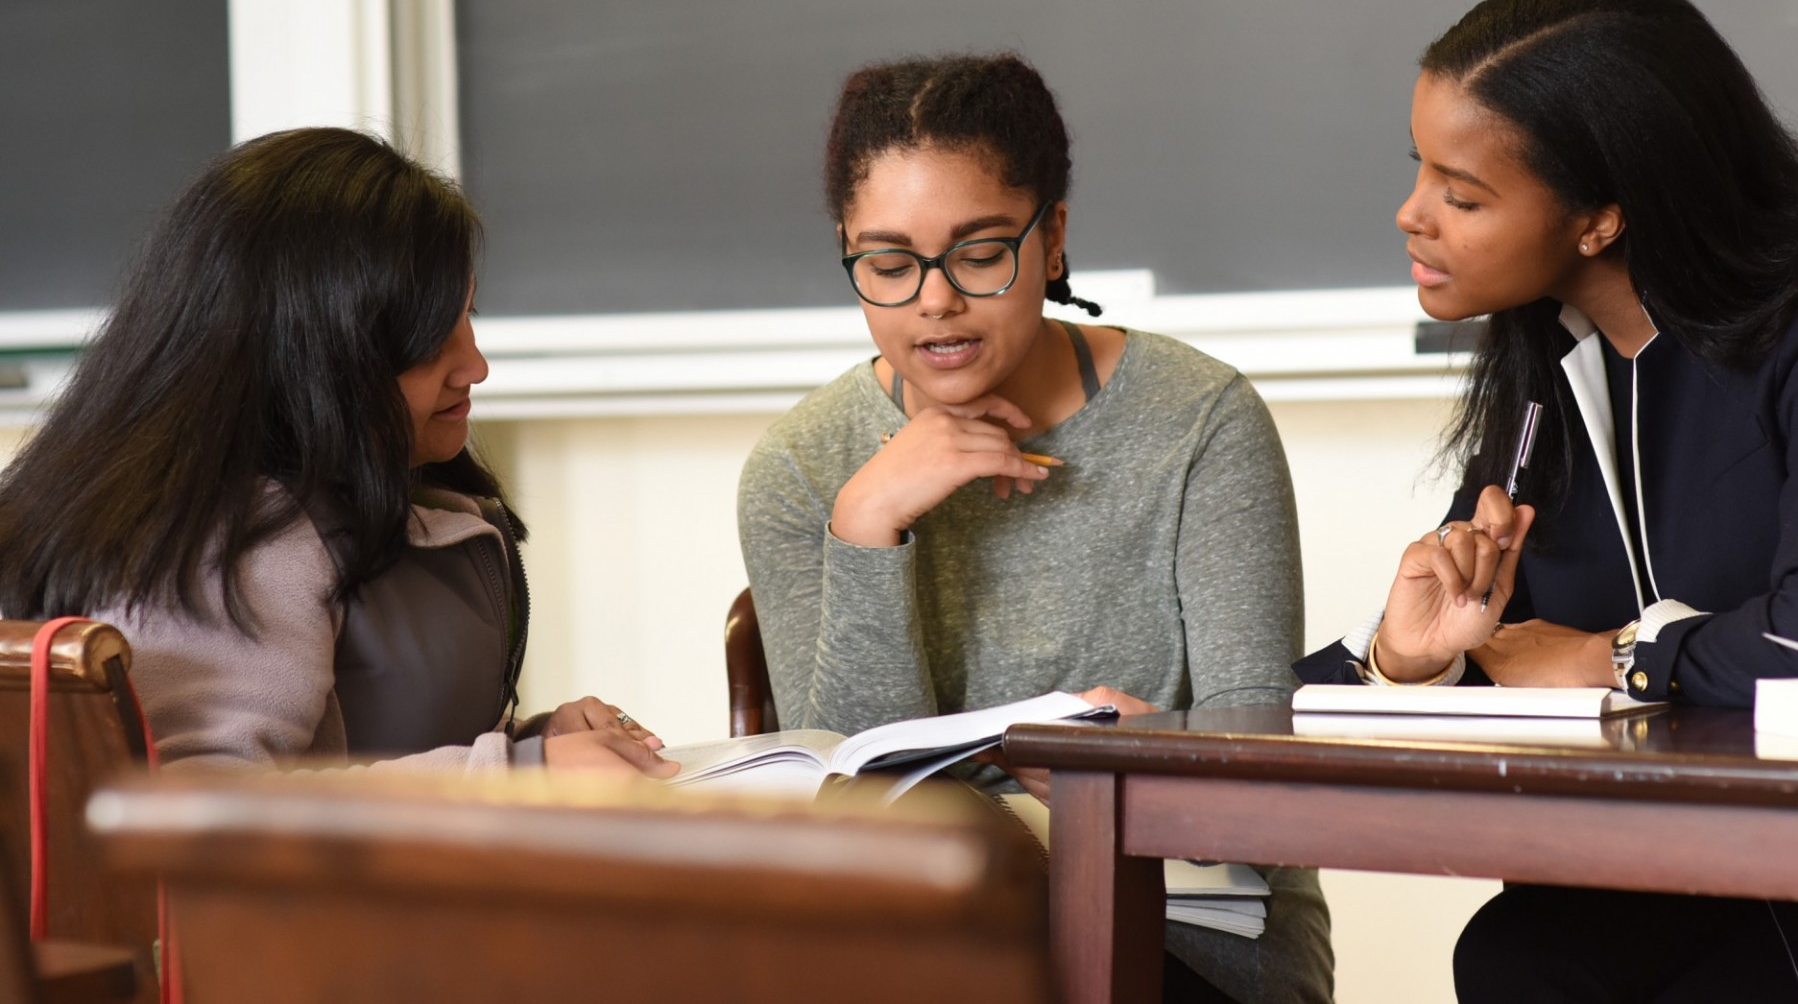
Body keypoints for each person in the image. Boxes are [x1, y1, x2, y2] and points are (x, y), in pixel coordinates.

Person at [1295, 0, 1798, 1002]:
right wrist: (1407, 659)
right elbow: (1500, 648)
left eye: (1463, 195)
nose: (1412, 216)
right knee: (1519, 954)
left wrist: (1613, 656)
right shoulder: (1546, 357)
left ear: (1600, 219)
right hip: (1663, 867)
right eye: (1421, 173)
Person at [739, 53, 1334, 1003]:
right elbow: (854, 803)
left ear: (1051, 238)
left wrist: (1143, 767)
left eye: (978, 254)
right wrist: (868, 522)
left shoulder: (1201, 419)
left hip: (1185, 926)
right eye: (888, 265)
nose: (934, 300)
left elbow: (1260, 770)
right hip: (921, 932)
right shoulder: (804, 467)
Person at [0, 128, 677, 778]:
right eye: (427, 339)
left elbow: (369, 756)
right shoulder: (229, 540)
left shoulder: (371, 489)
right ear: (311, 353)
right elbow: (203, 819)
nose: (475, 366)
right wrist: (518, 777)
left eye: (468, 317)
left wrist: (534, 748)